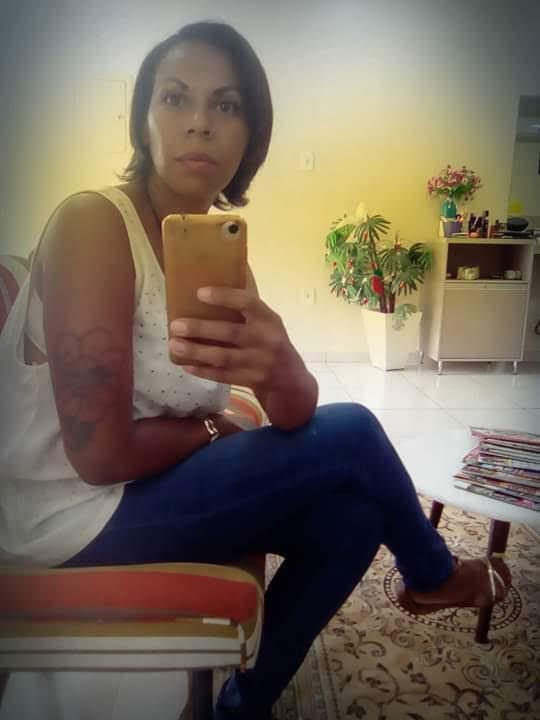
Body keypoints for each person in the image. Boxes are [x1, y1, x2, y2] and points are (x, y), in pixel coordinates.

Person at [0, 20, 511, 720]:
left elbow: (294, 412)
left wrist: (282, 366)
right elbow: (99, 456)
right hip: (65, 518)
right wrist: (213, 431)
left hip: (140, 491)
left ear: (251, 136)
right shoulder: (95, 225)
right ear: (143, 120)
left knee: (355, 517)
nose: (200, 123)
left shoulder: (220, 256)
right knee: (355, 429)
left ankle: (244, 704)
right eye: (175, 98)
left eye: (227, 104)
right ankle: (436, 573)